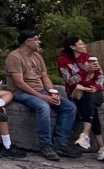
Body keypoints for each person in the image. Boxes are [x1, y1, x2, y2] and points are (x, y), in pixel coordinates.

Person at [5, 31, 80, 161]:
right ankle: (45, 145)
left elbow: (45, 77)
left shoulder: (37, 56)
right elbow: (19, 83)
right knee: (43, 107)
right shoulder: (14, 57)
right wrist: (41, 97)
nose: (39, 42)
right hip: (20, 92)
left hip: (40, 90)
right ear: (27, 42)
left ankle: (60, 143)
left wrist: (52, 93)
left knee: (70, 107)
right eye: (36, 39)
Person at [58, 37, 104, 161]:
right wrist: (84, 70)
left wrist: (96, 87)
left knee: (90, 99)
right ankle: (102, 147)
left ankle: (85, 134)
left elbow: (100, 77)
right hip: (77, 93)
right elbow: (69, 81)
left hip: (94, 91)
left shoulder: (89, 57)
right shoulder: (62, 61)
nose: (84, 45)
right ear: (72, 47)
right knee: (92, 107)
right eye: (80, 44)